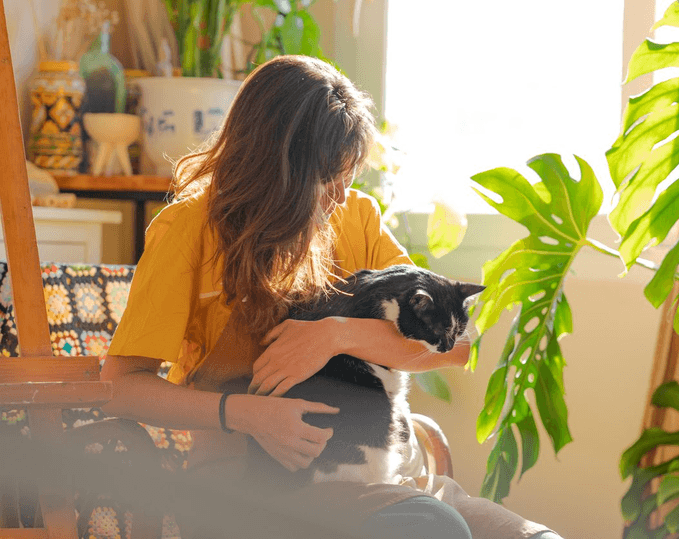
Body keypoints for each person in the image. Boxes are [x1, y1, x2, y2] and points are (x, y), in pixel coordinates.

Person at [100, 55, 561, 539]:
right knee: (428, 528)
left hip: (387, 478)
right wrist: (245, 413)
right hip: (252, 486)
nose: (341, 197)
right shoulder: (188, 230)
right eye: (328, 181)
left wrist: (334, 335)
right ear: (275, 169)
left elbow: (461, 344)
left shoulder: (356, 217)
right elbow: (121, 385)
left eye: (349, 177)